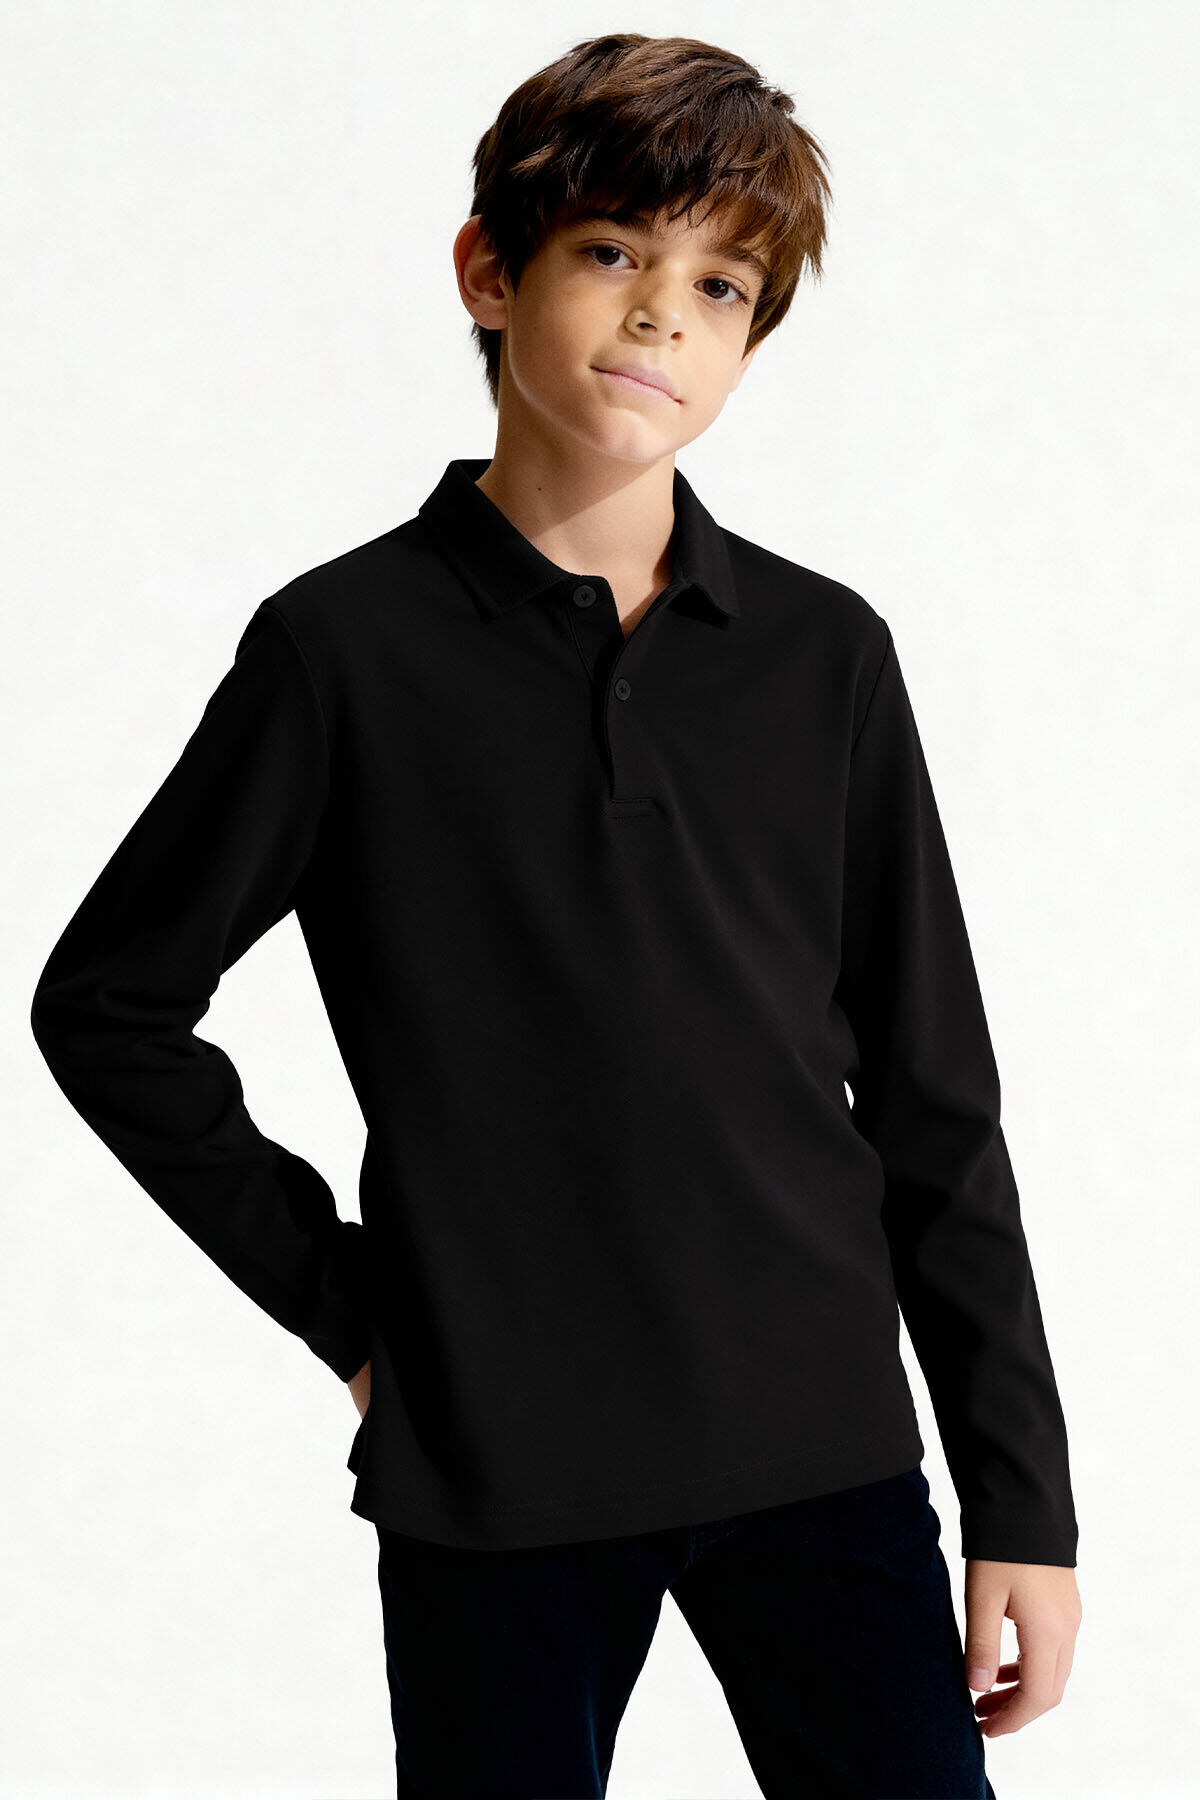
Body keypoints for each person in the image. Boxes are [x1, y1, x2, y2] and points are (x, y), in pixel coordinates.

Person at [29, 29, 1082, 1799]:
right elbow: (109, 1006)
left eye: (720, 284)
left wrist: (1021, 1502)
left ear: (753, 337)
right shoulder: (343, 653)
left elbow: (933, 1101)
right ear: (488, 271)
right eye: (611, 251)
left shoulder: (824, 655)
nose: (663, 313)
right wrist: (352, 1311)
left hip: (819, 1445)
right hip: (498, 1473)